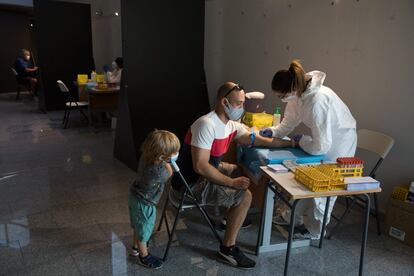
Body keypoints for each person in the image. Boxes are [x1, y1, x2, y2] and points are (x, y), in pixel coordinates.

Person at [171, 82, 293, 269]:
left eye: (243, 103)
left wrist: (288, 144)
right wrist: (231, 183)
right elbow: (201, 166)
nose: (241, 108)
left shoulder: (231, 125)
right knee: (246, 196)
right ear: (224, 102)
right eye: (238, 104)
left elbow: (255, 139)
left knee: (236, 168)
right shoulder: (206, 124)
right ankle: (227, 249)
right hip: (189, 184)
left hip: (202, 176)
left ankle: (229, 218)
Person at [260, 59, 357, 239]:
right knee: (307, 178)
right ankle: (293, 217)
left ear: (292, 89)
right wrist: (273, 131)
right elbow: (288, 123)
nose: (281, 99)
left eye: (281, 96)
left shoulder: (317, 101)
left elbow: (321, 146)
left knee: (323, 185)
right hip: (325, 139)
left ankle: (314, 231)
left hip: (341, 141)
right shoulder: (298, 96)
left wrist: (302, 141)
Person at [129, 129, 180, 269]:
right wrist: (170, 162)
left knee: (138, 225)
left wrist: (167, 159)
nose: (176, 155)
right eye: (173, 153)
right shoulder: (157, 172)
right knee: (145, 229)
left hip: (135, 195)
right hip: (146, 203)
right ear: (162, 156)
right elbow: (170, 173)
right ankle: (144, 256)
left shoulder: (146, 156)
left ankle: (135, 248)